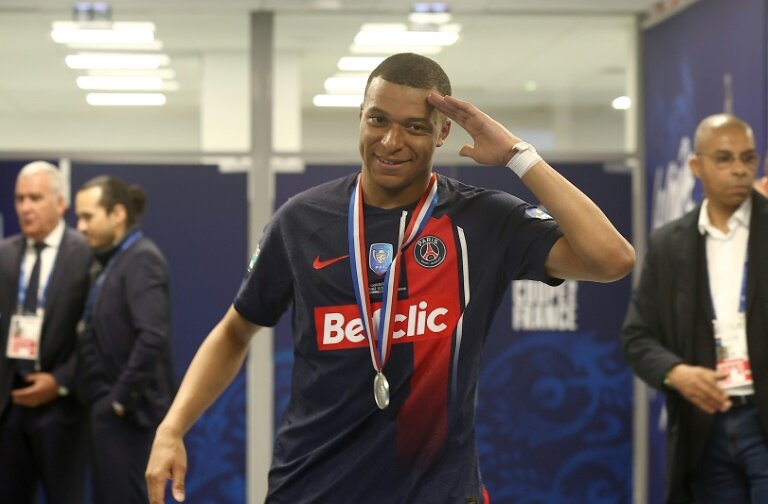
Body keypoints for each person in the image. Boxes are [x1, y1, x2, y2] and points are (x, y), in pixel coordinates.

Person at [146, 52, 634, 504]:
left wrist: (517, 155)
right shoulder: (301, 221)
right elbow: (235, 330)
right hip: (313, 487)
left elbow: (611, 259)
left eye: (415, 127)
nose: (391, 142)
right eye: (378, 119)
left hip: (438, 491)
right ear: (361, 116)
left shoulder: (482, 221)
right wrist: (172, 428)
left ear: (442, 132)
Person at [622, 114, 768, 503]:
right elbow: (637, 337)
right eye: (724, 158)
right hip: (702, 429)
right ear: (696, 166)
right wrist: (676, 373)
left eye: (748, 158)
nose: (739, 169)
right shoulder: (668, 245)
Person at [74, 175, 175, 504]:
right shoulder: (110, 263)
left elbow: (152, 335)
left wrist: (118, 400)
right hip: (110, 417)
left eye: (88, 217)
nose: (80, 227)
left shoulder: (142, 259)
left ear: (117, 214)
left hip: (131, 417)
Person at [0, 161, 92, 503]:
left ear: (60, 203)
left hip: (62, 409)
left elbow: (95, 334)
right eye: (19, 198)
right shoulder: (4, 255)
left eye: (35, 198)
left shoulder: (86, 255)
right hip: (9, 408)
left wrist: (60, 381)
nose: (26, 207)